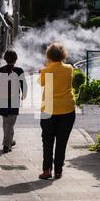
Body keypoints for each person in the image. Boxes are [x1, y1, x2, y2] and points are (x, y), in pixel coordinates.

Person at [38, 44, 75, 180]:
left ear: (48, 56)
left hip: (48, 108)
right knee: (62, 141)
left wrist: (46, 66)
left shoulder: (45, 71)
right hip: (67, 108)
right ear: (63, 55)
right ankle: (58, 171)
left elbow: (42, 83)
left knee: (47, 140)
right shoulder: (69, 69)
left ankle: (47, 169)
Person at [0, 50, 27, 153]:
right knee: (10, 123)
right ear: (15, 60)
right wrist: (23, 94)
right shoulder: (19, 71)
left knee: (6, 122)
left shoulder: (0, 70)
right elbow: (23, 84)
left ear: (5, 59)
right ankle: (6, 144)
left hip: (2, 99)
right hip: (13, 100)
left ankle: (10, 141)